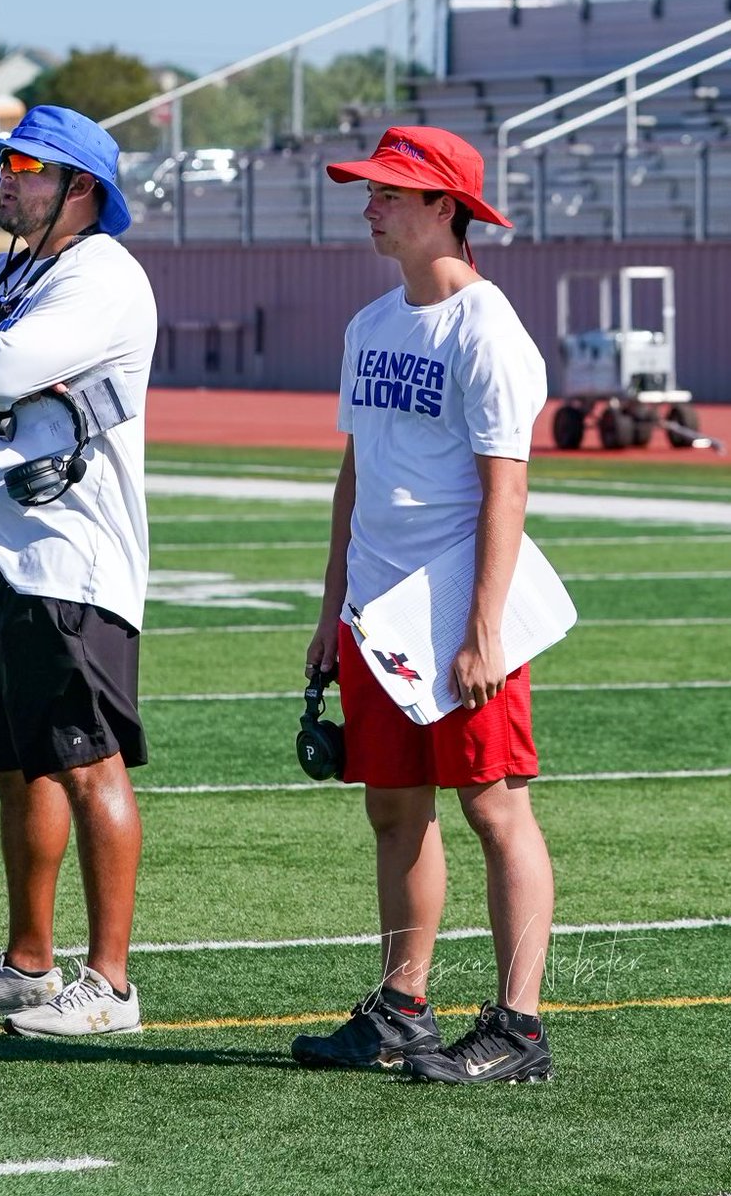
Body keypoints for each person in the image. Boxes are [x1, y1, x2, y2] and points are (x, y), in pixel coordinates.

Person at [290, 127, 555, 1083]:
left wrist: (482, 628)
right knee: (394, 809)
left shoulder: (487, 328)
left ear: (445, 206)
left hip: (453, 616)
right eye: (369, 189)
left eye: (390, 191)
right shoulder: (370, 325)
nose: (369, 204)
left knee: (494, 808)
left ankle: (518, 1029)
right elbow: (352, 480)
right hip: (375, 617)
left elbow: (505, 491)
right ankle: (403, 1005)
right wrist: (331, 610)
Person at [0, 105, 157, 1039]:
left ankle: (113, 984)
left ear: (79, 187)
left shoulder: (102, 275)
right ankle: (28, 965)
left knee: (87, 763)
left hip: (64, 555)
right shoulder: (13, 266)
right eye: (5, 165)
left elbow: (0, 362)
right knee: (19, 767)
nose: (4, 180)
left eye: (25, 166)